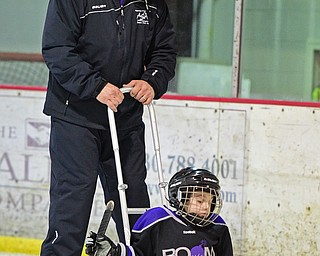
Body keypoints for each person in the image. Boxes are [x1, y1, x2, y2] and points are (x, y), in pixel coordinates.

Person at [40, 0, 177, 255]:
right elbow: (57, 48)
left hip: (126, 119)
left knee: (134, 200)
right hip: (76, 119)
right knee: (72, 204)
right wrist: (95, 86)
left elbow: (165, 50)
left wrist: (152, 81)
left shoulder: (153, 4)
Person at [86, 167, 234, 256]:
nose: (206, 207)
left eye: (210, 201)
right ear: (179, 198)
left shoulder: (218, 225)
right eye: (200, 201)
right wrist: (116, 252)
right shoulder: (156, 219)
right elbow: (139, 253)